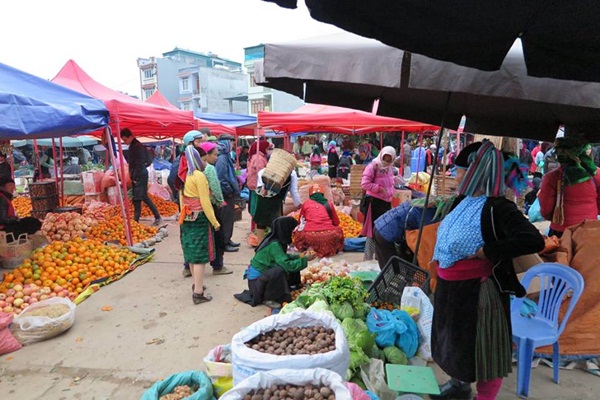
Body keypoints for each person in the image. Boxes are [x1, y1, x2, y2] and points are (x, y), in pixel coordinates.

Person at [429, 141, 545, 400]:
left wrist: (488, 251)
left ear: (475, 171)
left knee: (485, 353)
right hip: (452, 291)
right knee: (454, 345)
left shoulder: (498, 208)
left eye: (459, 170)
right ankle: (458, 387)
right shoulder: (462, 201)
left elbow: (533, 241)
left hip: (478, 293)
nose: (454, 174)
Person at [372, 142, 484, 270]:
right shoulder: (432, 216)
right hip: (385, 232)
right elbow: (426, 245)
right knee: (392, 271)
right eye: (457, 172)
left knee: (397, 270)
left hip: (385, 227)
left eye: (458, 173)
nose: (456, 179)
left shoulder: (435, 207)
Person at [179, 146, 220, 304]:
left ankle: (196, 284)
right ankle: (198, 292)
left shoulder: (183, 175)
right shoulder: (198, 176)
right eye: (202, 159)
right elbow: (205, 201)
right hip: (200, 218)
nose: (204, 162)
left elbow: (182, 200)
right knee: (200, 257)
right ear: (196, 159)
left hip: (187, 217)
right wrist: (214, 221)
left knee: (191, 253)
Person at [245, 216, 316, 308]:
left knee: (290, 262)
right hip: (256, 284)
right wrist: (305, 259)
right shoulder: (274, 245)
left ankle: (294, 286)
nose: (292, 234)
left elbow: (284, 257)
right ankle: (269, 298)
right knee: (279, 270)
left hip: (262, 278)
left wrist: (300, 256)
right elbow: (287, 265)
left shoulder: (277, 241)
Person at [538, 135, 600, 238]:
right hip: (590, 229)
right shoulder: (596, 174)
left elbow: (546, 210)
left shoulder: (552, 177)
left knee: (562, 254)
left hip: (561, 231)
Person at [200, 142, 233, 276]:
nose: (216, 158)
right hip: (211, 206)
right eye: (214, 155)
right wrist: (220, 201)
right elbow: (216, 187)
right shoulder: (209, 169)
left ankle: (189, 266)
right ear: (206, 155)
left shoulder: (194, 169)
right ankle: (218, 265)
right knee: (217, 235)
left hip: (197, 208)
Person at [120, 128, 162, 226]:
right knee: (140, 197)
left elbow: (138, 163)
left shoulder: (137, 146)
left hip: (139, 175)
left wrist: (135, 177)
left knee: (139, 198)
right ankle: (138, 220)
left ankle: (140, 220)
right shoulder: (135, 145)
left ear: (130, 136)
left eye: (125, 140)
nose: (125, 142)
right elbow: (147, 161)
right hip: (140, 174)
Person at [360, 146, 396, 260]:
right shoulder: (372, 166)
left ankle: (379, 257)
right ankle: (369, 257)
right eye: (385, 159)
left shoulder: (390, 168)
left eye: (389, 160)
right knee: (373, 230)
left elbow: (389, 182)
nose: (386, 162)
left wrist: (394, 185)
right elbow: (364, 184)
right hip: (374, 202)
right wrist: (378, 188)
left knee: (384, 229)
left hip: (386, 202)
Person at [254, 163, 301, 244]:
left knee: (261, 222)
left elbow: (260, 174)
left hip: (263, 197)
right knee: (276, 223)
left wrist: (262, 185)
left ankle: (260, 245)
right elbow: (294, 191)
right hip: (276, 200)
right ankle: (274, 244)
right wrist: (299, 204)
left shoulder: (269, 169)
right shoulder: (292, 173)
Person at [293, 184, 344, 257]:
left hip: (310, 236)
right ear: (322, 194)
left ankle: (306, 248)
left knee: (298, 232)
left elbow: (300, 221)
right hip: (329, 236)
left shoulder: (306, 204)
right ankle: (338, 249)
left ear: (310, 195)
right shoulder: (329, 203)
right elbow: (336, 222)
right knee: (339, 230)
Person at [214, 133, 240, 252]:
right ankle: (224, 242)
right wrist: (229, 190)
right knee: (225, 219)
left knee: (229, 218)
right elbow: (221, 177)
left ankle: (227, 239)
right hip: (225, 193)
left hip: (227, 192)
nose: (233, 145)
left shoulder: (225, 155)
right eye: (232, 143)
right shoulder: (222, 157)